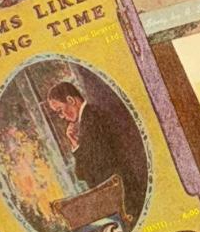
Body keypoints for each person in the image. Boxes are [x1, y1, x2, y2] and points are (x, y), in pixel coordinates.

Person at [45, 80, 148, 224]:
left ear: (71, 100)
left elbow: (90, 170)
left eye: (60, 110)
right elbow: (82, 173)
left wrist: (77, 147)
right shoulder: (87, 120)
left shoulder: (92, 118)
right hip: (116, 193)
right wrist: (74, 143)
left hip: (122, 193)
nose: (61, 116)